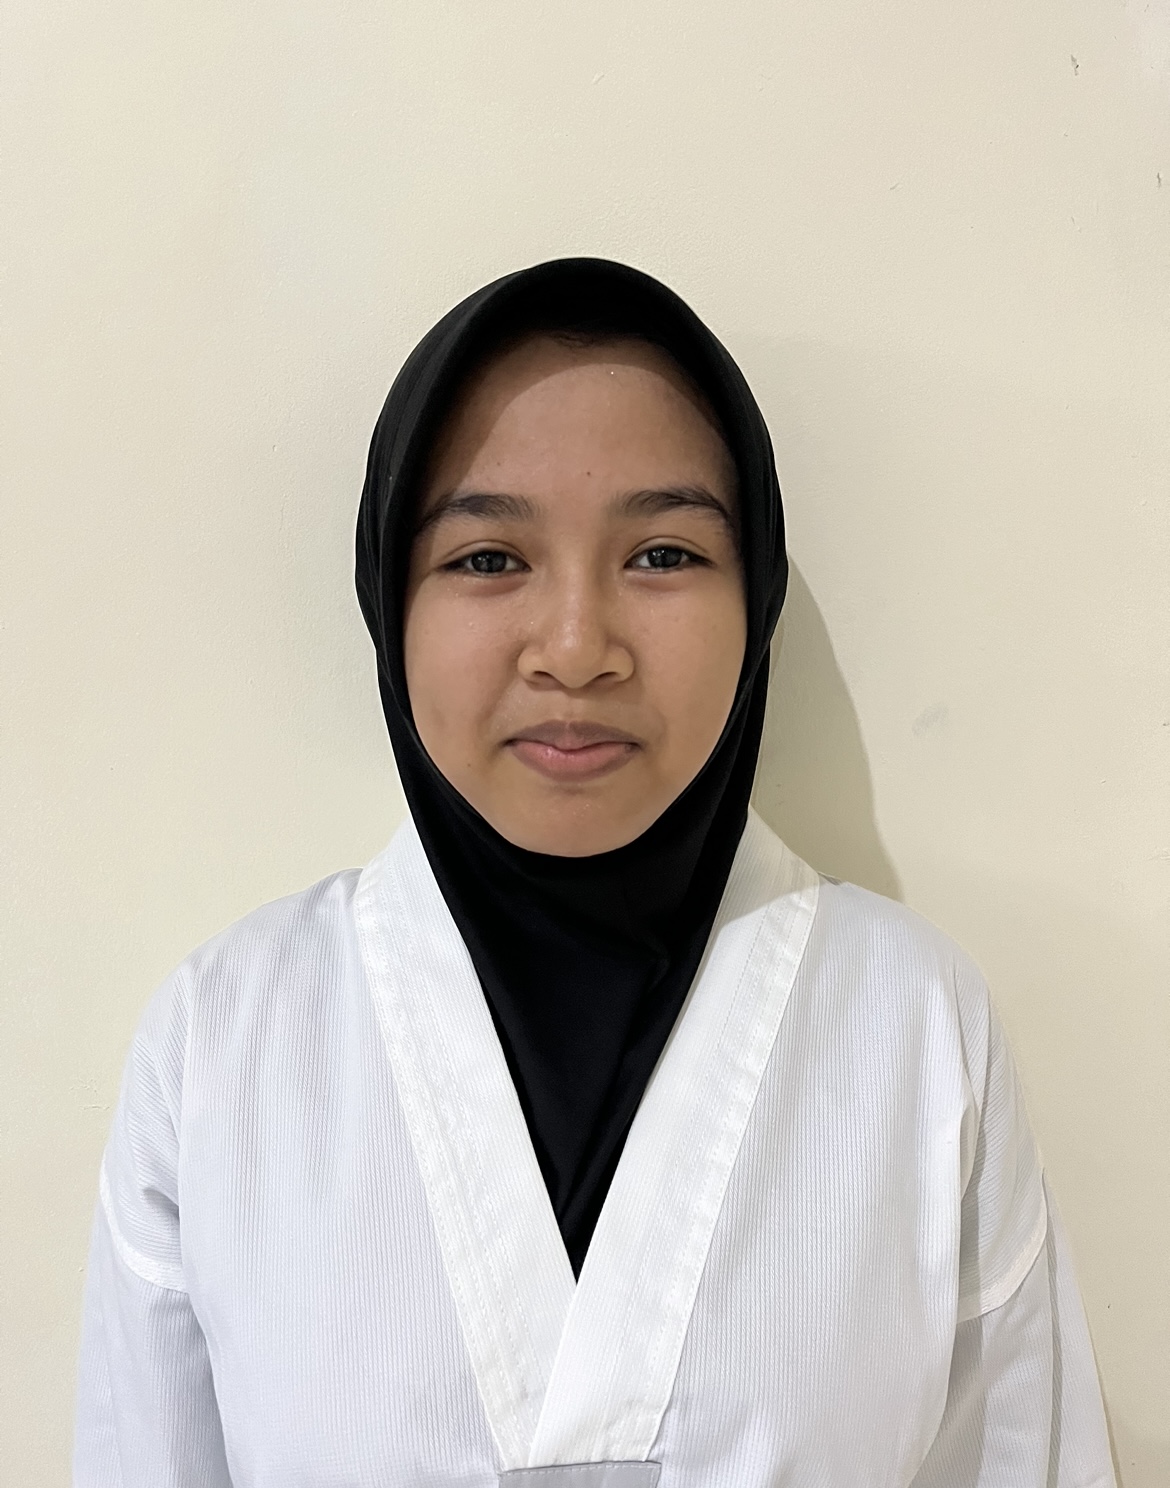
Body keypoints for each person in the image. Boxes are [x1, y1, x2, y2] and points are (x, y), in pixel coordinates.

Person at [73, 258, 1116, 1487]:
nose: (576, 650)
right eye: (487, 559)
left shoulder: (915, 1027)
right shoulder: (222, 1046)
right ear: (389, 601)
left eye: (663, 554)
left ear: (756, 597)